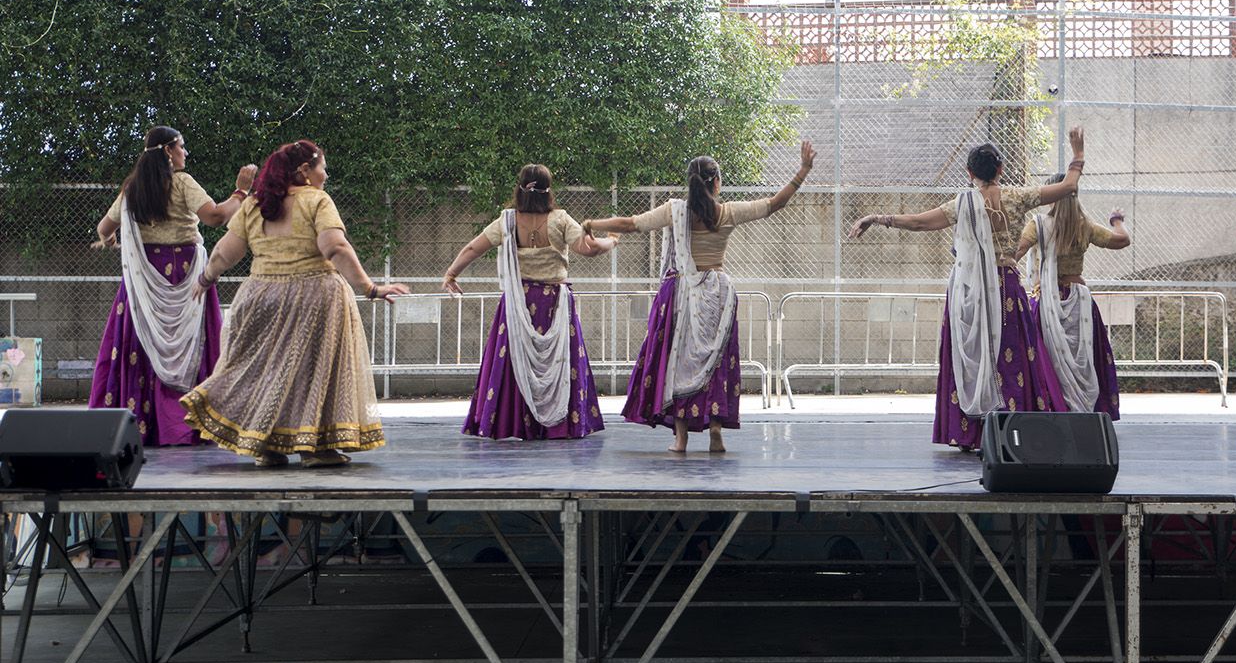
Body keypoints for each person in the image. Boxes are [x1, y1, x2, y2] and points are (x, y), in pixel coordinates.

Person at [849, 131, 1088, 450]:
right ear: (1001, 170)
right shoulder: (1017, 198)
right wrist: (1078, 151)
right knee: (1012, 357)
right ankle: (1013, 432)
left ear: (970, 173)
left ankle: (969, 434)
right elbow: (1069, 187)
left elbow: (919, 223)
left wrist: (877, 218)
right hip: (1006, 290)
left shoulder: (960, 204)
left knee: (973, 357)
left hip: (970, 293)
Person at [180, 139, 408, 467]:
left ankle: (267, 446)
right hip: (315, 296)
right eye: (322, 168)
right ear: (305, 171)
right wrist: (370, 288)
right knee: (312, 371)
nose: (325, 176)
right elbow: (335, 248)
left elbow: (224, 252)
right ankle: (315, 449)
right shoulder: (317, 200)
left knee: (262, 371)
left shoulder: (255, 203)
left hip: (260, 297)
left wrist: (205, 279)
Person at [583, 141, 816, 453]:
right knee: (714, 362)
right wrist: (803, 171)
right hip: (717, 293)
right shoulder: (729, 213)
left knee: (678, 362)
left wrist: (591, 223)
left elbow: (630, 224)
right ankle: (715, 428)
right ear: (717, 182)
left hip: (681, 294)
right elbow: (774, 204)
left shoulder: (674, 212)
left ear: (689, 182)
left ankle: (680, 438)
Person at [89, 126, 256, 446]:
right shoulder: (182, 183)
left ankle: (138, 426)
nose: (185, 153)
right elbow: (216, 217)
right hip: (183, 274)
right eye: (182, 147)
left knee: (141, 346)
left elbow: (104, 227)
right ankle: (186, 424)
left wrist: (108, 239)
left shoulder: (132, 189)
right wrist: (241, 192)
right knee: (191, 344)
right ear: (168, 151)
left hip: (143, 281)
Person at [442, 164, 618, 440]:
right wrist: (612, 242)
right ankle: (560, 425)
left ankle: (514, 423)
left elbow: (473, 247)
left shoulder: (508, 221)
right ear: (549, 190)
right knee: (560, 363)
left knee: (512, 363)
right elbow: (589, 248)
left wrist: (452, 273)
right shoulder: (559, 220)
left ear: (520, 188)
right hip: (553, 305)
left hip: (518, 304)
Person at [1017, 173, 1130, 420]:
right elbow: (1122, 240)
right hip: (1080, 302)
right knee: (1086, 359)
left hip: (1046, 303)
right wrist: (1117, 220)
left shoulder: (1037, 225)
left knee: (1044, 359)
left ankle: (1051, 407)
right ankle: (1088, 411)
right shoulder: (1085, 226)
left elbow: (1017, 251)